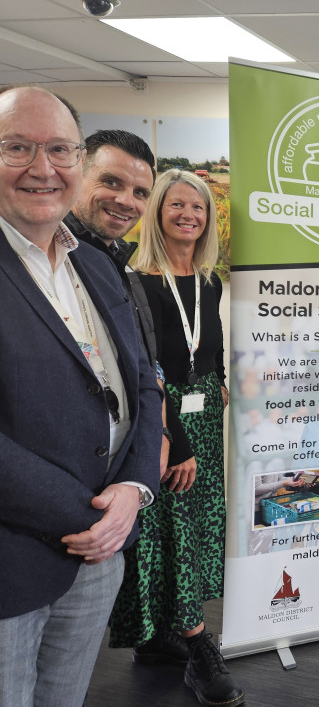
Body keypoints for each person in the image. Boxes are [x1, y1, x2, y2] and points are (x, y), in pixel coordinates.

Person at [0, 85, 161, 705]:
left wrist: (135, 488)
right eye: (18, 147)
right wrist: (93, 517)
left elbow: (142, 383)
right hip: (14, 563)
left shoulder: (93, 266)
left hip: (99, 558)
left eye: (60, 149)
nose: (43, 168)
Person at [109, 169, 243, 705]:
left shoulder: (208, 279)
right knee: (173, 530)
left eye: (199, 208)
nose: (189, 215)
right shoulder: (137, 281)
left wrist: (222, 379)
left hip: (207, 411)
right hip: (166, 423)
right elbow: (147, 370)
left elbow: (208, 344)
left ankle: (163, 638)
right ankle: (198, 647)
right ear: (157, 212)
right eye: (177, 205)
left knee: (196, 524)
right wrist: (177, 440)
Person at [66, 129, 194, 485]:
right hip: (73, 474)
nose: (126, 201)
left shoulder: (122, 268)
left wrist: (163, 437)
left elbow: (146, 369)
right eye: (111, 182)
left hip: (120, 469)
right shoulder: (50, 261)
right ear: (76, 173)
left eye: (140, 193)